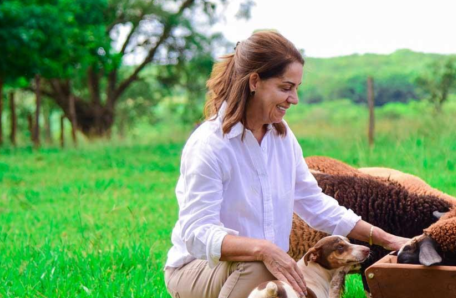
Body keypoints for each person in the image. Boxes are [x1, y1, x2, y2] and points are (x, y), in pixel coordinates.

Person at [163, 30, 409, 298]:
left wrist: (387, 238)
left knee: (271, 272)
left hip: (256, 268)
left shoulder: (282, 138)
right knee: (263, 267)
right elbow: (197, 234)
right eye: (285, 87)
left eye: (296, 88)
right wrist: (264, 249)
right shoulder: (210, 145)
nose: (294, 99)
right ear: (255, 81)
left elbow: (315, 203)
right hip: (198, 270)